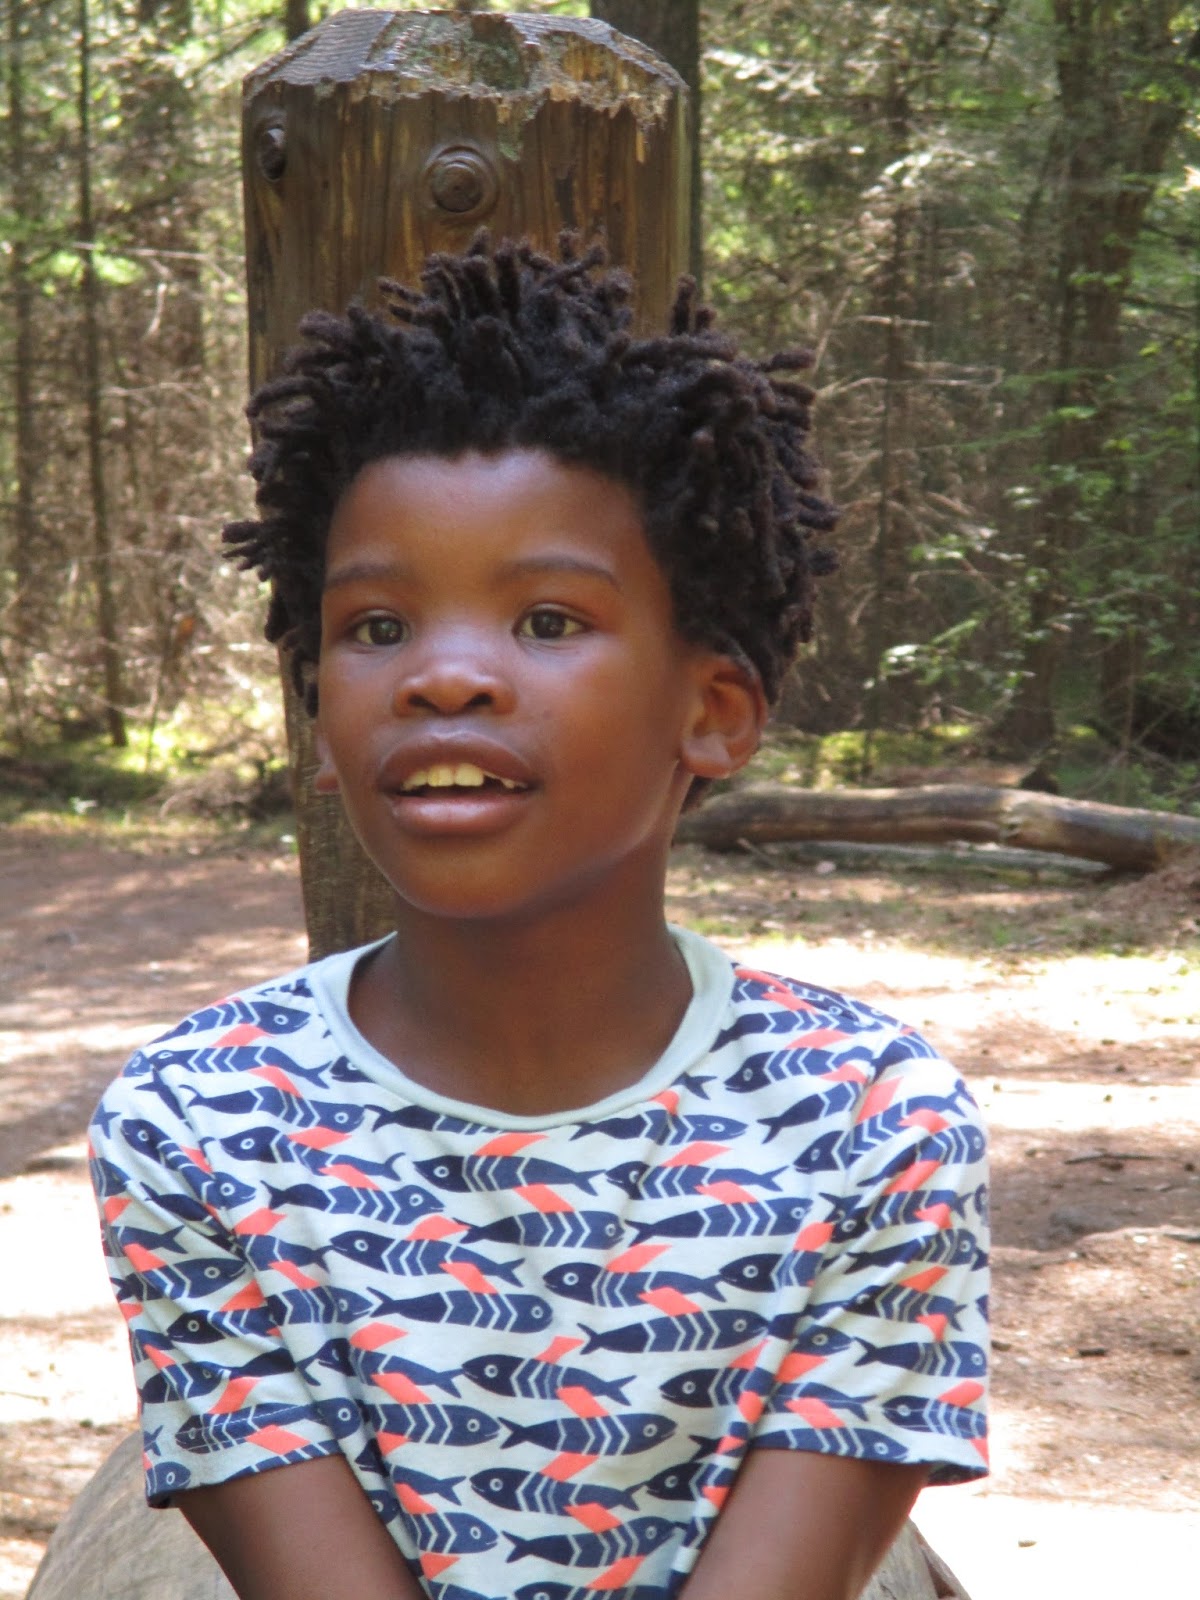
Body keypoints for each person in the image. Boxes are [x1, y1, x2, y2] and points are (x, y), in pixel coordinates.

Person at [89, 235, 988, 1600]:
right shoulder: (194, 1122)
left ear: (713, 712)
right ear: (318, 724)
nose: (445, 677)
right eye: (376, 628)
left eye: (550, 620)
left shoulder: (875, 1122)